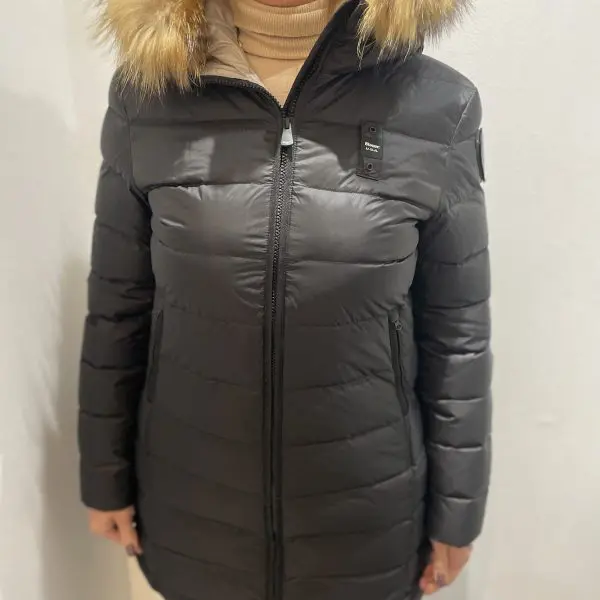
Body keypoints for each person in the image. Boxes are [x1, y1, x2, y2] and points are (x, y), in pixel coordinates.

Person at [78, 0, 492, 599]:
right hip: (190, 501)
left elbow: (457, 331)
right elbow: (118, 305)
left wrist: (457, 511)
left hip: (366, 516)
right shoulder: (148, 95)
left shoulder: (437, 106)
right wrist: (104, 475)